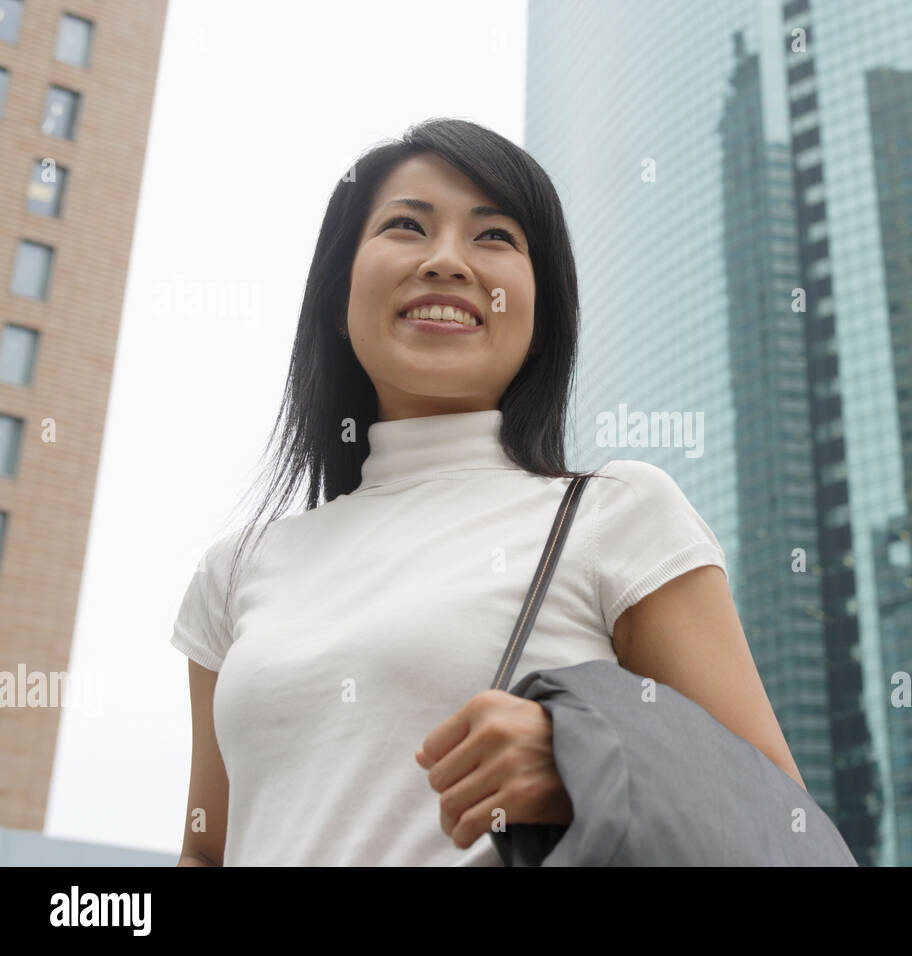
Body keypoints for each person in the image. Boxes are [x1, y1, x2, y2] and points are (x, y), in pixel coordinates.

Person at [171, 117, 804, 867]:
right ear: (342, 299)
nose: (445, 261)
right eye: (406, 226)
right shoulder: (235, 572)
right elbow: (206, 853)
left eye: (495, 236)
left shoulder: (616, 515)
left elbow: (779, 823)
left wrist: (585, 757)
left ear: (539, 319)